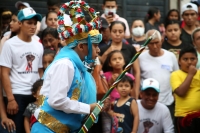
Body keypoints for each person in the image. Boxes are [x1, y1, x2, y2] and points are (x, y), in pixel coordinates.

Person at [31, 1, 102, 132]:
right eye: (95, 45)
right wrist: (88, 108)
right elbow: (56, 101)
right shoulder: (66, 64)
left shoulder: (77, 66)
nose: (98, 50)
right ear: (81, 46)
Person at [0, 7, 43, 133]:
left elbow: (40, 71)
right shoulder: (10, 44)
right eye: (29, 23)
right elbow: (4, 73)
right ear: (20, 23)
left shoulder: (38, 45)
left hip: (35, 95)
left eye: (35, 23)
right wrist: (11, 99)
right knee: (17, 129)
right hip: (17, 95)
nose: (33, 26)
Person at [139, 29, 179, 118]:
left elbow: (177, 77)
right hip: (147, 103)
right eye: (151, 43)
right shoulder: (140, 57)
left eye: (157, 42)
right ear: (146, 43)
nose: (155, 46)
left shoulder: (170, 56)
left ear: (161, 41)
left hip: (168, 102)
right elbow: (137, 79)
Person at [99, 21, 141, 99]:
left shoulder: (130, 49)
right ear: (110, 32)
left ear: (124, 33)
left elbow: (137, 71)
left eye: (120, 31)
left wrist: (136, 92)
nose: (117, 34)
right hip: (107, 90)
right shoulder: (102, 50)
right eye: (114, 31)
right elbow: (98, 69)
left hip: (126, 89)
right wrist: (107, 52)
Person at [170, 46, 200, 133]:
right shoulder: (176, 75)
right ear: (179, 61)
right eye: (185, 59)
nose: (189, 62)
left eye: (192, 59)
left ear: (197, 60)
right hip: (183, 117)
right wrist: (190, 75)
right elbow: (180, 92)